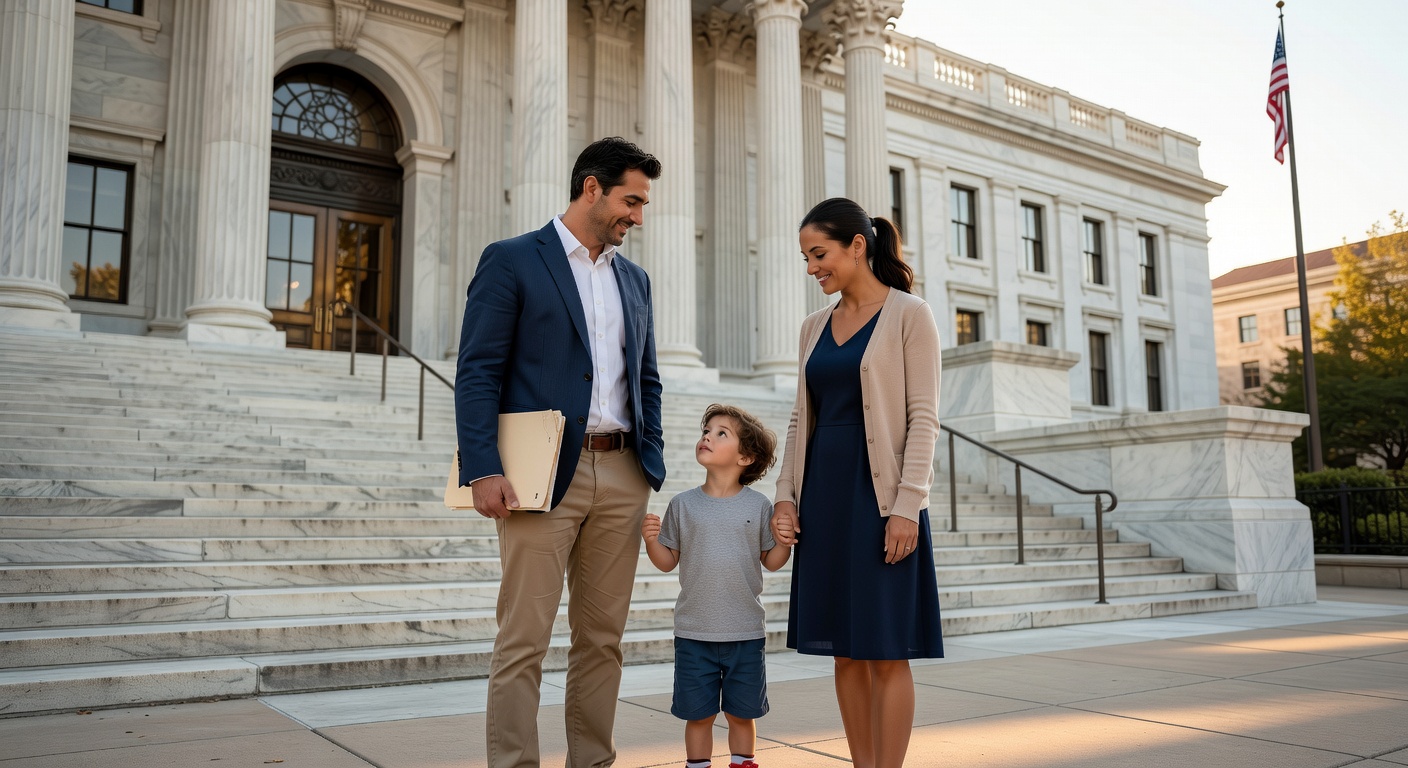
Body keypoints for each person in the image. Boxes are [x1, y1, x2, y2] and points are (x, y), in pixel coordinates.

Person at [455, 136, 667, 768]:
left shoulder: (636, 279)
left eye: (644, 203)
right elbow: (478, 371)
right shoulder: (514, 259)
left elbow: (646, 376)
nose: (638, 215)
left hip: (624, 472)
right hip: (540, 474)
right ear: (592, 187)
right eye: (631, 200)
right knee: (524, 639)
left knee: (602, 641)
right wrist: (483, 467)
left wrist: (648, 461)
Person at [769, 197, 944, 768]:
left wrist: (906, 506)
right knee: (845, 652)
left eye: (820, 253)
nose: (812, 266)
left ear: (858, 246)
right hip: (825, 498)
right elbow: (801, 419)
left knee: (887, 652)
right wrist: (787, 497)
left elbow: (923, 417)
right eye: (806, 257)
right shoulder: (812, 328)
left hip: (881, 499)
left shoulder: (909, 314)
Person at [642, 403, 791, 768]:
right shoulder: (683, 505)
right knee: (699, 715)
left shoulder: (759, 507)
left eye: (720, 432)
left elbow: (771, 562)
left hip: (744, 632)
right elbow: (667, 562)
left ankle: (743, 762)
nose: (706, 436)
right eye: (706, 430)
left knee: (743, 714)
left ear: (745, 457)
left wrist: (784, 540)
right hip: (694, 633)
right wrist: (650, 541)